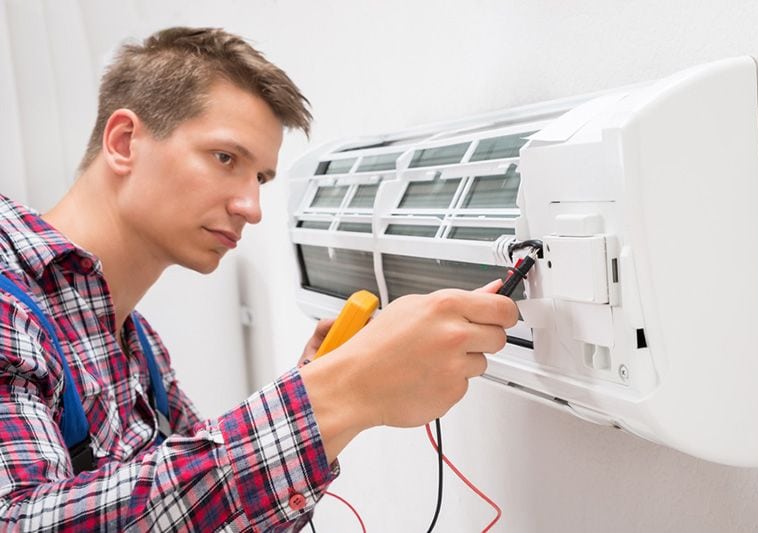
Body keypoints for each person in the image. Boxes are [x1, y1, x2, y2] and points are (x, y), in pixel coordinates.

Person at [0, 27, 518, 531]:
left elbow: (194, 514)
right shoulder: (9, 303)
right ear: (124, 141)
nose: (251, 207)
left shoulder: (138, 346)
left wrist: (324, 393)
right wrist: (331, 398)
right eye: (225, 158)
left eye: (261, 179)